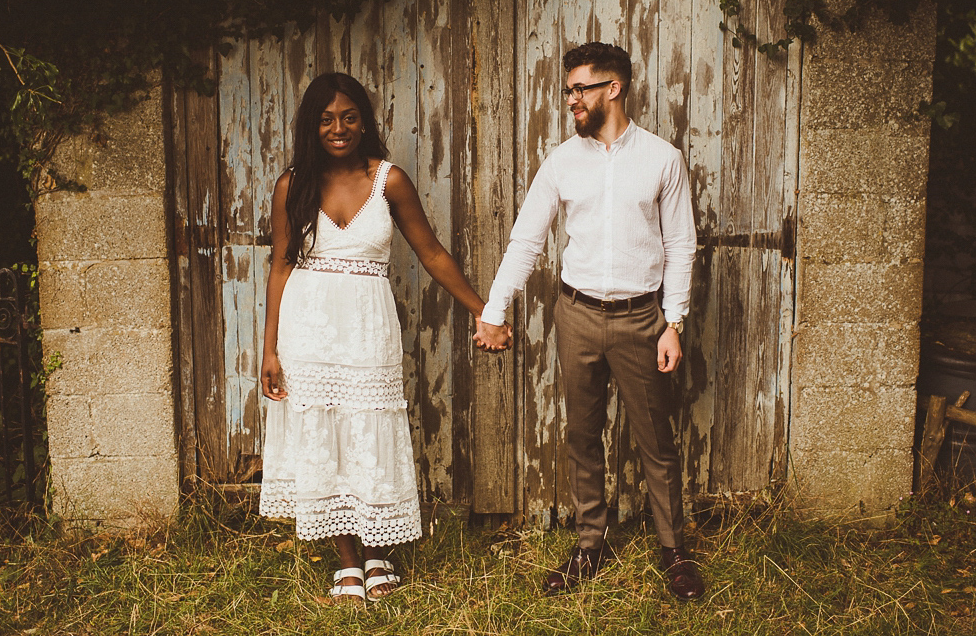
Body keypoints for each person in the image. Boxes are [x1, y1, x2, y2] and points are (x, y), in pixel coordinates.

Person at [258, 72, 511, 604]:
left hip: (368, 329)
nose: (338, 128)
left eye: (349, 116)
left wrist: (484, 310)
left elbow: (433, 254)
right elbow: (280, 266)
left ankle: (377, 552)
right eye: (326, 119)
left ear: (364, 121)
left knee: (365, 435)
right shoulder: (293, 183)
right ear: (312, 125)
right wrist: (270, 348)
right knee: (324, 437)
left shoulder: (388, 180)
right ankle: (349, 559)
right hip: (309, 330)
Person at [474, 42, 703, 601]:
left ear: (614, 88)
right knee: (582, 434)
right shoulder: (561, 161)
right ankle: (589, 544)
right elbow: (526, 240)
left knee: (656, 439)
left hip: (641, 319)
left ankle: (673, 552)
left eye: (582, 88)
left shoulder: (661, 159)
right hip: (575, 313)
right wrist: (495, 309)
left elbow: (681, 244)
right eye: (569, 89)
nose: (572, 99)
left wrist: (673, 322)